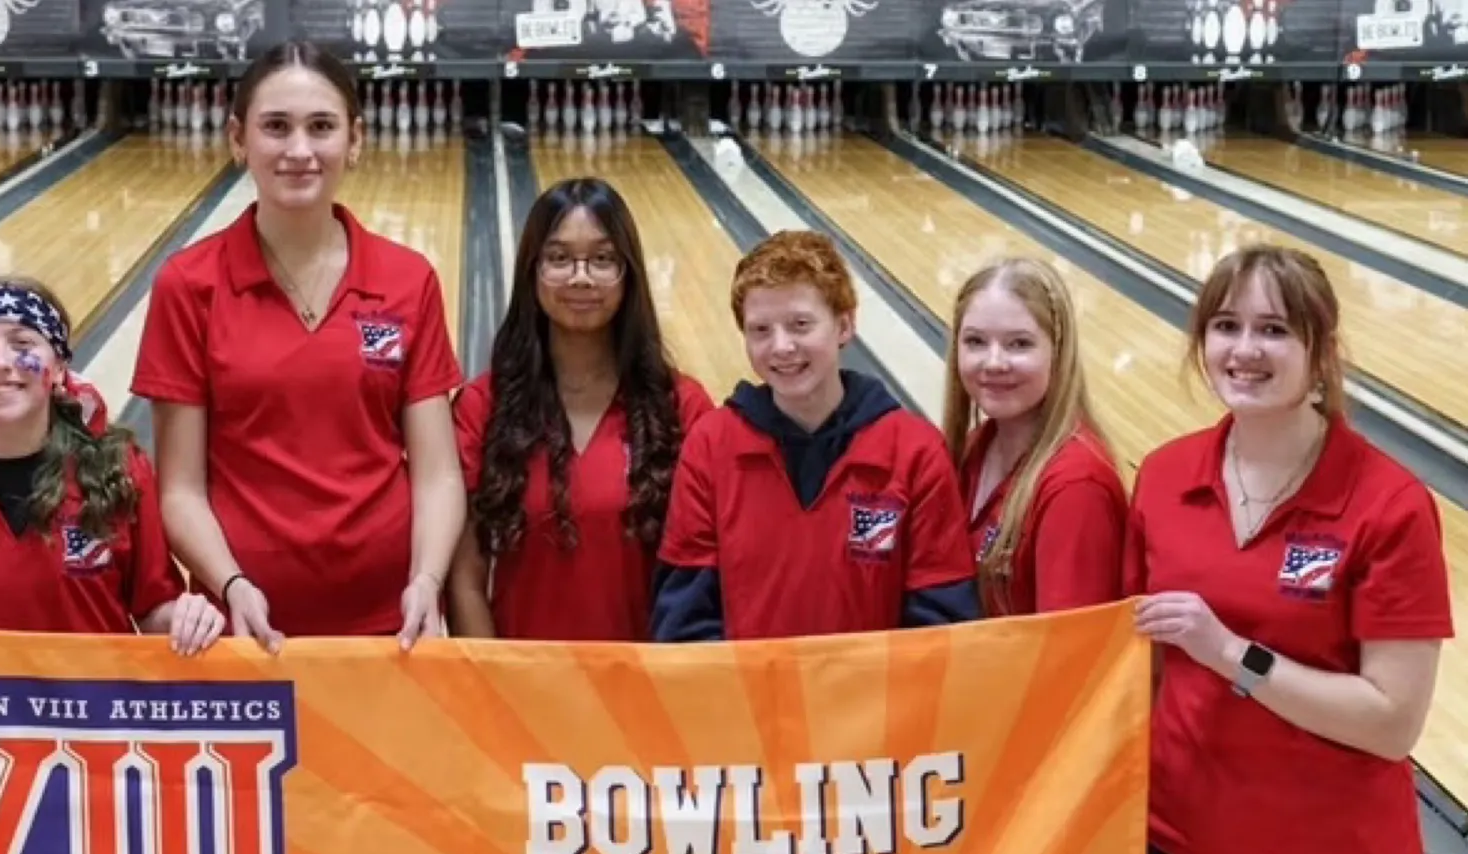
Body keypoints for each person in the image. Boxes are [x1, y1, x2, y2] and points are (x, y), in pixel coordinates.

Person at [1127, 246, 1449, 854]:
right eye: (1226, 326)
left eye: (1274, 329)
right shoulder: (1162, 477)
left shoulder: (1389, 505)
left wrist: (1231, 654)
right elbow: (1139, 673)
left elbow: (1392, 723)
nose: (1245, 350)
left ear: (1321, 350)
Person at [136, 43, 464, 650]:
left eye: (322, 127)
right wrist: (230, 582)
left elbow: (438, 473)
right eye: (275, 127)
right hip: (242, 628)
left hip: (390, 630)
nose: (299, 150)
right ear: (239, 139)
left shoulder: (407, 279)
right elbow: (179, 487)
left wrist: (427, 578)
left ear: (355, 139)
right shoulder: (189, 286)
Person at [654, 230, 977, 640]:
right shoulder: (710, 446)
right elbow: (685, 620)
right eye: (760, 330)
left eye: (800, 324)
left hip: (874, 703)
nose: (781, 346)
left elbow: (940, 623)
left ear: (845, 325)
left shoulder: (914, 452)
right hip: (747, 702)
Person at [0, 277, 223, 647]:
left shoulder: (121, 473)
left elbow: (154, 610)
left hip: (95, 705)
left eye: (22, 344)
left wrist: (189, 622)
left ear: (58, 369)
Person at [449, 176, 711, 640]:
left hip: (644, 694)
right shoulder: (482, 406)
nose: (581, 276)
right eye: (558, 258)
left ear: (628, 273)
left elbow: (703, 579)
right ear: (532, 271)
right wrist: (489, 684)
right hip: (521, 689)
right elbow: (465, 576)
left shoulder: (681, 407)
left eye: (603, 259)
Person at [942, 256, 1127, 616]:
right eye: (976, 341)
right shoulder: (975, 447)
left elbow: (1069, 655)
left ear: (1058, 353)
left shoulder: (1077, 488)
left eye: (1019, 344)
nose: (993, 362)